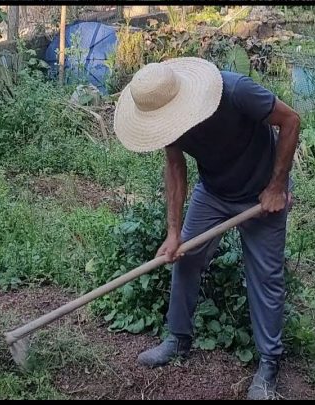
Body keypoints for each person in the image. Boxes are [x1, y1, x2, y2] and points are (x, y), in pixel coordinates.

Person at [113, 57, 300, 400]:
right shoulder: (166, 120)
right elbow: (175, 167)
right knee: (184, 256)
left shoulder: (236, 92)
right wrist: (173, 233)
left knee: (265, 277)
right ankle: (177, 339)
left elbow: (290, 121)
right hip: (213, 193)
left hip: (261, 194)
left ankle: (269, 365)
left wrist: (276, 187)